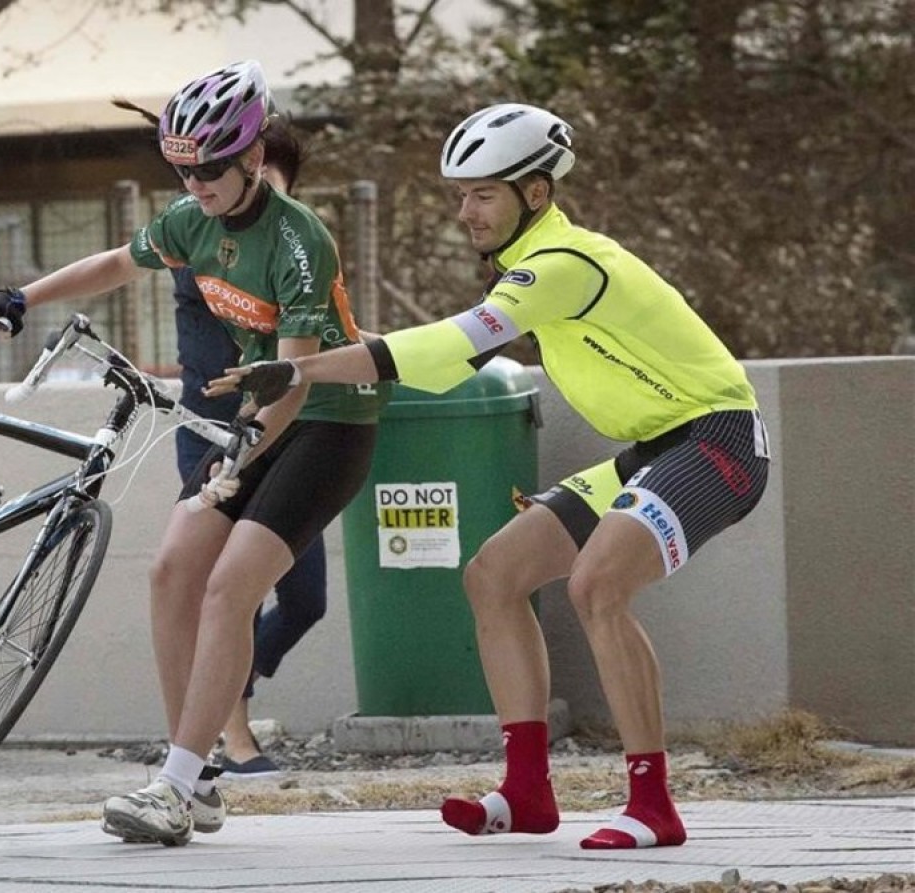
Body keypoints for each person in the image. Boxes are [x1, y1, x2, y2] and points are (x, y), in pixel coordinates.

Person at [209, 102, 771, 850]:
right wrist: (317, 346)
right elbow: (446, 361)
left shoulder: (563, 265)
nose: (463, 210)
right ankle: (529, 790)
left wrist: (304, 366)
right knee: (494, 573)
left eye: (482, 193)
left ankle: (652, 804)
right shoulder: (530, 271)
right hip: (655, 449)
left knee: (597, 584)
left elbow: (445, 348)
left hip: (717, 439)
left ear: (535, 194)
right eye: (460, 194)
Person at [0, 60, 386, 845]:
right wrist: (23, 298)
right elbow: (114, 266)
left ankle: (173, 784)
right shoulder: (191, 221)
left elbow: (293, 377)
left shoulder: (300, 239)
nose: (194, 185)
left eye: (209, 171)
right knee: (171, 572)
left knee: (231, 587)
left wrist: (234, 464)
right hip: (254, 417)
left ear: (254, 159)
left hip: (327, 419)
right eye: (182, 169)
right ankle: (190, 780)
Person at [166, 129, 326, 779]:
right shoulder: (200, 253)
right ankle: (232, 740)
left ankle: (227, 676)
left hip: (287, 436)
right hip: (214, 438)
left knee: (305, 599)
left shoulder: (295, 251)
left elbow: (306, 350)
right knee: (226, 590)